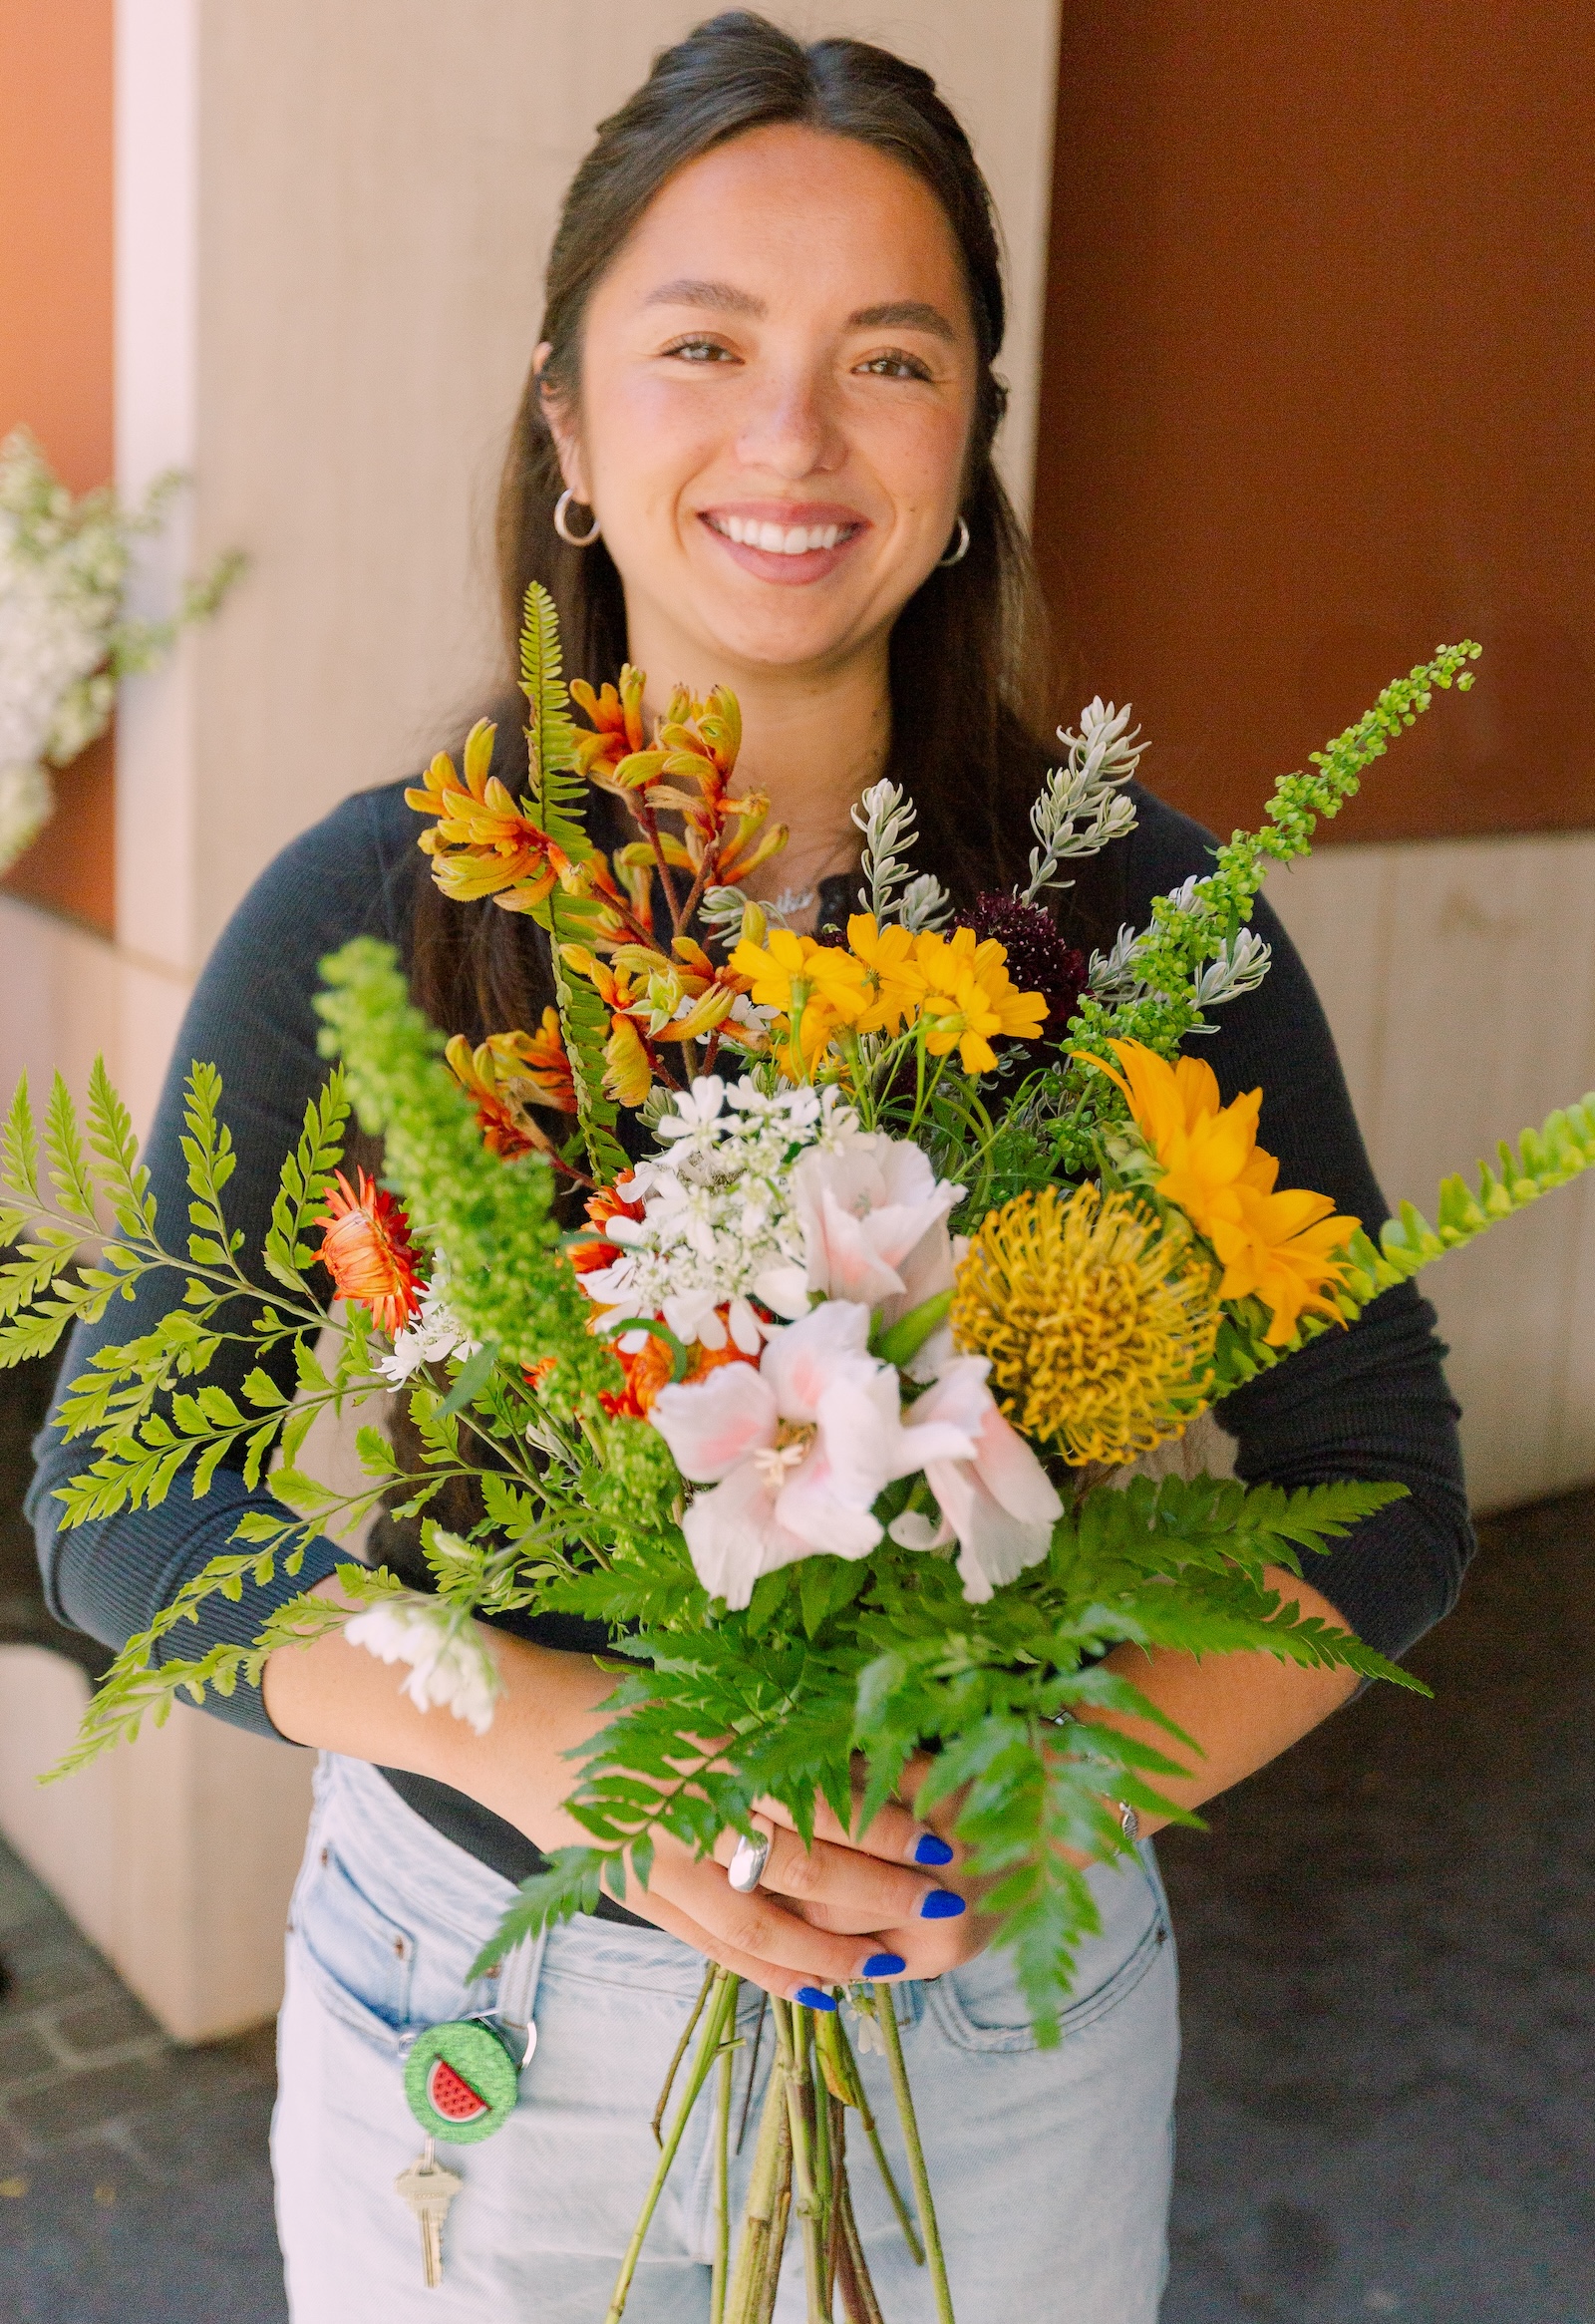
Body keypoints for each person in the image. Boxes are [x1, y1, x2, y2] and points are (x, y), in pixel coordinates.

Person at [29, 15, 1472, 2321]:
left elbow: (1380, 1481)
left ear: (970, 440)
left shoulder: (1135, 923)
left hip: (992, 2016)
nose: (791, 436)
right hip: (478, 2016)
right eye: (700, 343)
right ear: (570, 421)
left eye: (887, 359)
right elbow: (117, 1504)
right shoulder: (386, 914)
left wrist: (1033, 1799)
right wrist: (588, 1747)